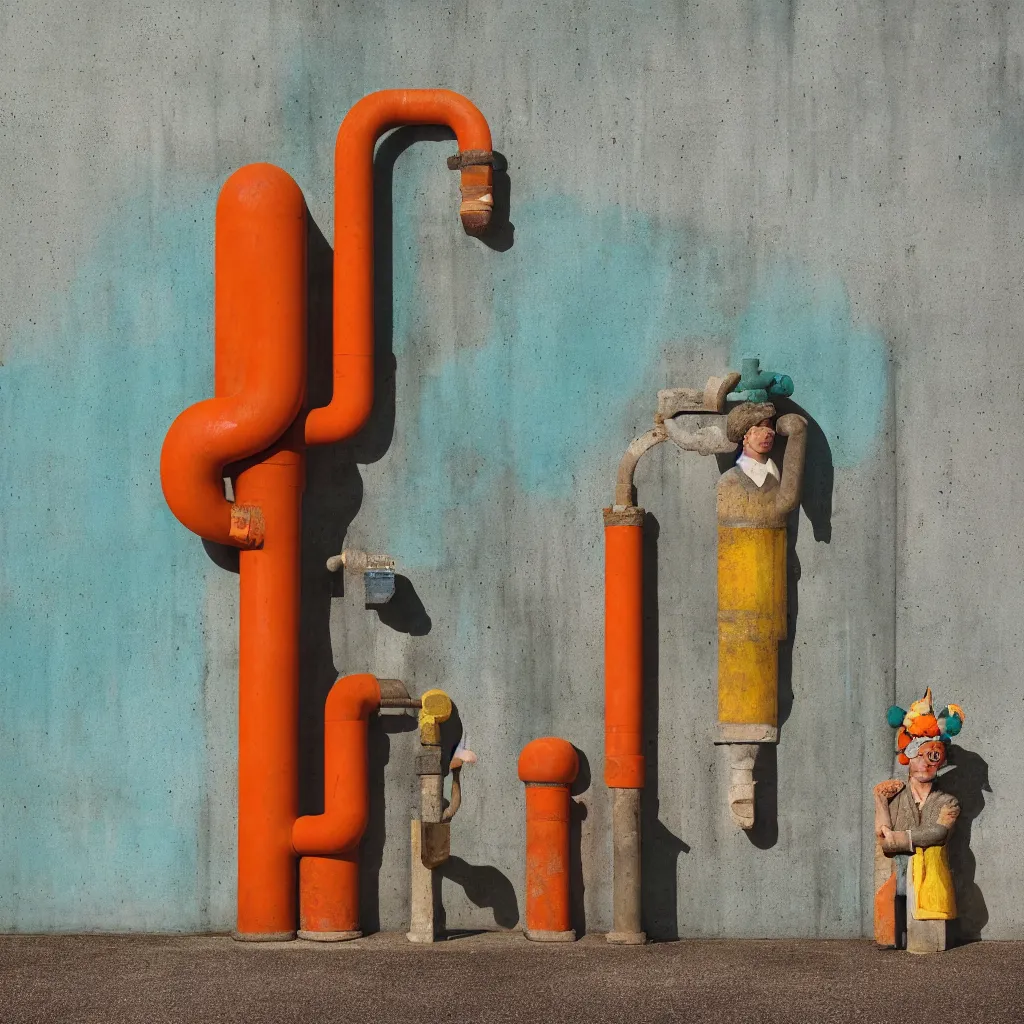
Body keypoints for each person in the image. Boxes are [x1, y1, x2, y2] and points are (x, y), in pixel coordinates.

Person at [874, 690, 964, 952]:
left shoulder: (948, 802)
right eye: (918, 756)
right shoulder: (895, 794)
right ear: (907, 758)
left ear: (941, 760)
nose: (925, 764)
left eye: (933, 756)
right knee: (889, 921)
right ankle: (889, 936)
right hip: (895, 875)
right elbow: (882, 839)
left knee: (925, 941)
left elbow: (938, 832)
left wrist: (900, 838)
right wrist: (880, 802)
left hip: (930, 881)